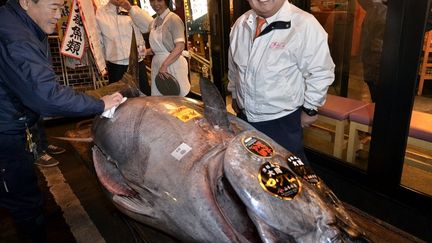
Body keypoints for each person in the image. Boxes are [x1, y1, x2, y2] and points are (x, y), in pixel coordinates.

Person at [0, 0, 124, 242]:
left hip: (13, 120)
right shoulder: (16, 37)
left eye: (61, 9)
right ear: (26, 2)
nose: (58, 16)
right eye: (54, 7)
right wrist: (100, 104)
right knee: (23, 201)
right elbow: (46, 96)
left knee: (24, 189)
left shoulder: (17, 22)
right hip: (5, 131)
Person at [227, 0, 335, 164]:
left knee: (288, 175)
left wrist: (310, 109)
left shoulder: (304, 24)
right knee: (250, 171)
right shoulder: (240, 24)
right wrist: (235, 94)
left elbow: (320, 71)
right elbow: (234, 67)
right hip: (245, 118)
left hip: (282, 122)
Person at [94, 0, 153, 95]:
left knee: (144, 97)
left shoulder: (133, 9)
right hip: (115, 65)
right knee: (118, 100)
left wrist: (130, 9)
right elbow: (98, 40)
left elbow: (149, 26)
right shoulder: (100, 13)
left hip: (137, 63)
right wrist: (102, 65)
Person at [146, 0, 190, 96]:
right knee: (163, 102)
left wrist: (164, 65)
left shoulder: (174, 19)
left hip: (172, 64)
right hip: (158, 66)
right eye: (152, 1)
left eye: (159, 0)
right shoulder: (153, 23)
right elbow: (157, 49)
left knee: (178, 100)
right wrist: (145, 52)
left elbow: (180, 46)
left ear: (166, 1)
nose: (155, 4)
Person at [358, 0, 387, 103]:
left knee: (376, 84)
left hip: (381, 51)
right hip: (372, 49)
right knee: (371, 81)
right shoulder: (375, 7)